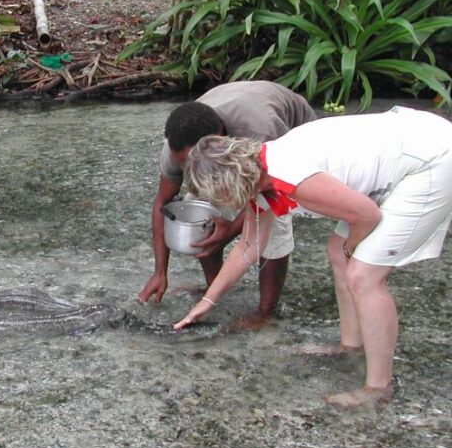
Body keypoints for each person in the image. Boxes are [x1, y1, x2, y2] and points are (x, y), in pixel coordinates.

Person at [172, 105, 452, 408]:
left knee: (363, 275)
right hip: (415, 139)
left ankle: (377, 388)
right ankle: (350, 346)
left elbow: (367, 215)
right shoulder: (257, 171)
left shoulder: (289, 175)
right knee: (337, 251)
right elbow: (249, 246)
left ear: (228, 183)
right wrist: (208, 301)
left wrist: (351, 248)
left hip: (432, 158)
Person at [137, 81, 317, 328]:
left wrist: (231, 230)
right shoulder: (175, 150)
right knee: (202, 217)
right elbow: (162, 201)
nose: (185, 168)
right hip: (232, 128)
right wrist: (160, 272)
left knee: (273, 224)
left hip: (293, 136)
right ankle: (216, 289)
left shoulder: (258, 130)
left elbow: (270, 191)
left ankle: (266, 311)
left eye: (191, 163)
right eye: (183, 164)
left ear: (216, 142)